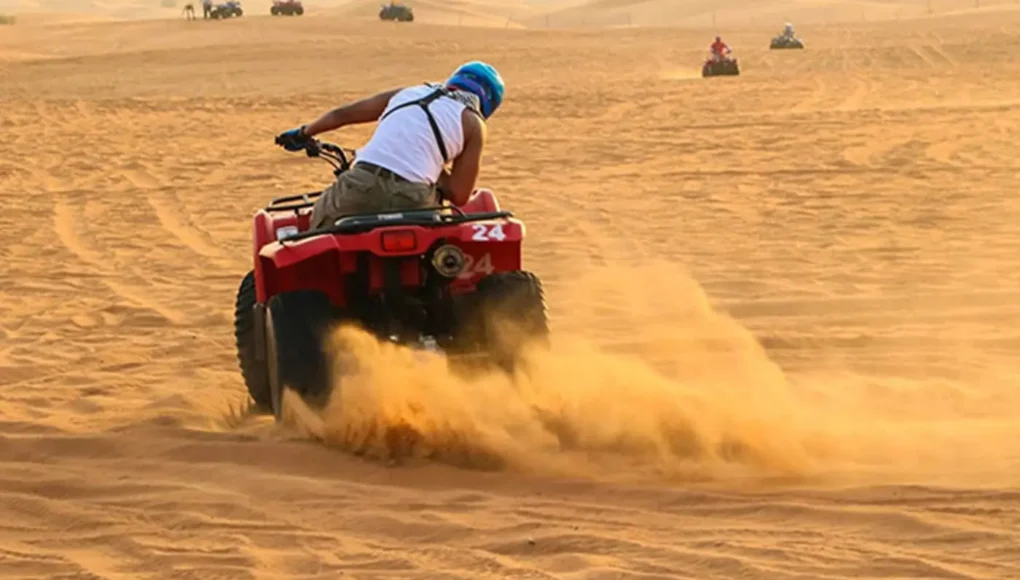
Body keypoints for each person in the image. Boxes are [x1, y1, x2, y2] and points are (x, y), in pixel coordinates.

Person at [275, 61, 505, 230]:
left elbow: (342, 114)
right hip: (415, 200)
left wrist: (304, 133)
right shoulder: (474, 124)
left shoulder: (408, 93)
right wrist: (432, 165)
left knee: (318, 230)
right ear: (489, 103)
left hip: (359, 188)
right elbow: (459, 194)